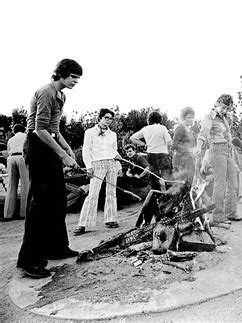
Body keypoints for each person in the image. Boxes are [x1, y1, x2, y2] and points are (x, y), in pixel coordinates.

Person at [17, 59, 81, 279]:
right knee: (40, 205)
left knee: (57, 200)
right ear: (61, 74)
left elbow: (54, 129)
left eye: (78, 78)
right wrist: (62, 156)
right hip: (37, 147)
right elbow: (39, 130)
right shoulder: (46, 92)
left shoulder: (61, 95)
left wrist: (67, 149)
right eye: (73, 76)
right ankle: (30, 262)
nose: (75, 81)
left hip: (48, 143)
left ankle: (57, 248)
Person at [73, 108, 121, 236]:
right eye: (106, 118)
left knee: (111, 192)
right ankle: (83, 224)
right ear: (99, 118)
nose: (108, 121)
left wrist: (119, 164)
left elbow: (114, 151)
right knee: (93, 194)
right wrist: (88, 166)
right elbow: (86, 150)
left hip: (111, 163)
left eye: (111, 118)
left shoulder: (113, 134)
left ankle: (111, 219)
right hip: (97, 164)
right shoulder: (90, 132)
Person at [195, 94, 240, 227]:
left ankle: (231, 211)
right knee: (220, 183)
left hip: (228, 150)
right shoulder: (210, 117)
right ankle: (217, 216)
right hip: (217, 150)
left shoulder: (224, 119)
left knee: (233, 181)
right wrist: (198, 147)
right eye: (224, 107)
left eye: (228, 109)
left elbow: (228, 135)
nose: (226, 111)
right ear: (217, 103)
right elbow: (202, 134)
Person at [130, 111, 172, 190]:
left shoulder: (145, 129)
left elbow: (132, 138)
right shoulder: (162, 128)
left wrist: (143, 144)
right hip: (162, 154)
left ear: (149, 120)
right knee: (166, 176)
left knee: (154, 176)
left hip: (151, 155)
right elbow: (169, 142)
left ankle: (156, 195)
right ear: (159, 119)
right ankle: (167, 195)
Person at [3, 124, 29, 221]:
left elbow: (9, 150)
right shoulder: (26, 136)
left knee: (11, 186)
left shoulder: (11, 140)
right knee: (25, 185)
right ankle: (24, 213)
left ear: (14, 131)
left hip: (11, 158)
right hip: (22, 157)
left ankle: (8, 214)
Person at [172, 106, 196, 182]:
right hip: (180, 160)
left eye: (192, 117)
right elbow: (174, 144)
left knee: (190, 182)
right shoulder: (180, 128)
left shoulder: (190, 130)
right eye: (188, 117)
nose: (191, 119)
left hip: (189, 160)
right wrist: (187, 149)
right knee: (182, 183)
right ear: (183, 117)